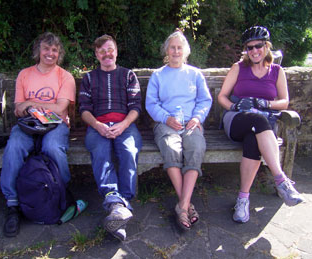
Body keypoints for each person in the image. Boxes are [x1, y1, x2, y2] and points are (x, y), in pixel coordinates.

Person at [218, 26, 304, 223]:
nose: (254, 51)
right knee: (257, 120)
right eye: (250, 48)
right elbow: (222, 96)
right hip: (237, 120)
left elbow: (284, 102)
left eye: (259, 46)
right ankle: (281, 181)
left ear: (267, 46)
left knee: (253, 141)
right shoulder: (238, 68)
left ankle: (242, 199)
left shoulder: (276, 71)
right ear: (246, 50)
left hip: (262, 127)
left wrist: (265, 103)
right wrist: (235, 105)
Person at [0, 32, 76, 237]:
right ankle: (13, 204)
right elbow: (18, 109)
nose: (50, 53)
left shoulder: (65, 76)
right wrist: (35, 107)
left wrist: (31, 103)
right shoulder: (24, 75)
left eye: (54, 50)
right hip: (28, 125)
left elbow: (60, 109)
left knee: (51, 147)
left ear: (59, 53)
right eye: (46, 48)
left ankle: (61, 190)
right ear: (38, 51)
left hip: (56, 126)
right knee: (14, 146)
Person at [145, 30, 212, 230]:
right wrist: (167, 118)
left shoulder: (195, 74)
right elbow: (151, 104)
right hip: (166, 123)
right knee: (171, 148)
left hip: (191, 123)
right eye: (172, 47)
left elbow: (204, 100)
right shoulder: (158, 75)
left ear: (185, 51)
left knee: (196, 146)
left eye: (179, 48)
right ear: (167, 50)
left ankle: (182, 205)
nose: (175, 51)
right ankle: (186, 204)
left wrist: (197, 118)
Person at [79, 35, 142, 241]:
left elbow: (135, 108)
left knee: (128, 151)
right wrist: (98, 125)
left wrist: (123, 125)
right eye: (102, 51)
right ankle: (118, 205)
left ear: (116, 51)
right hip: (98, 127)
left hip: (126, 125)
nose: (107, 54)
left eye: (110, 49)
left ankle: (119, 206)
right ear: (97, 55)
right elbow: (84, 110)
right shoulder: (89, 78)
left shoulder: (128, 75)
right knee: (101, 151)